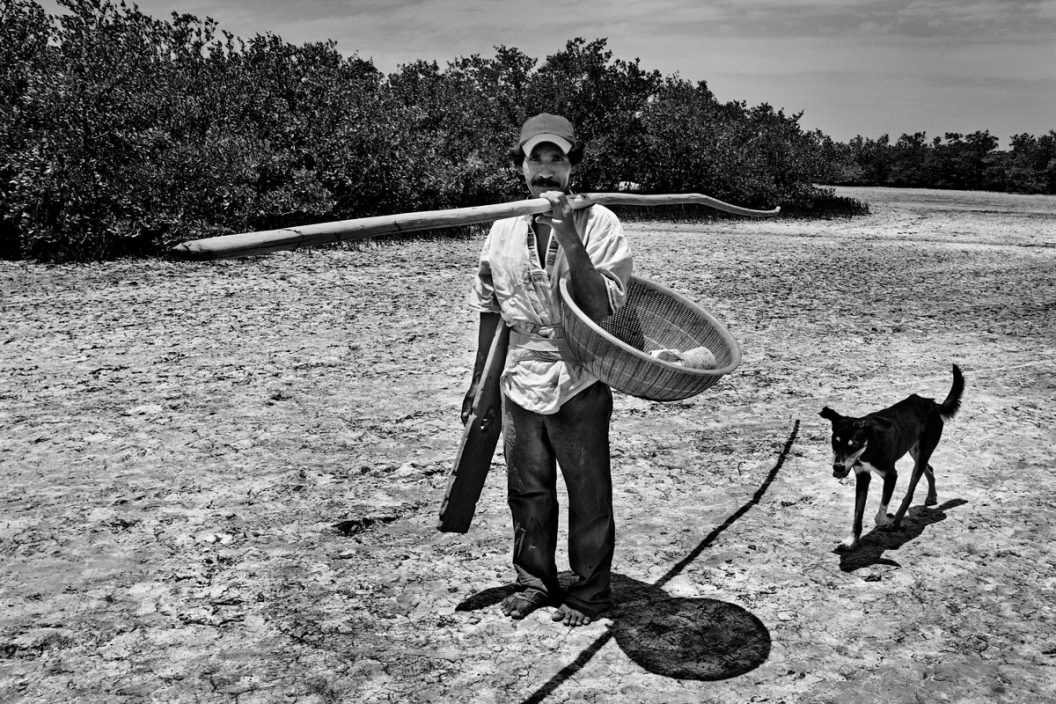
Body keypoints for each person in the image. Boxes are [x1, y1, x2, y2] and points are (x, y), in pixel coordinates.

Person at [463, 113, 633, 627]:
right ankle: (535, 579)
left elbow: (602, 305)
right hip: (519, 374)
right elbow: (491, 308)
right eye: (535, 158)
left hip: (579, 374)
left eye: (556, 157)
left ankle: (590, 592)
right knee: (527, 488)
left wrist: (567, 232)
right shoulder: (502, 227)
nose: (545, 169)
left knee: (588, 492)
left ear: (571, 167)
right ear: (521, 166)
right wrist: (479, 382)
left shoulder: (600, 222)